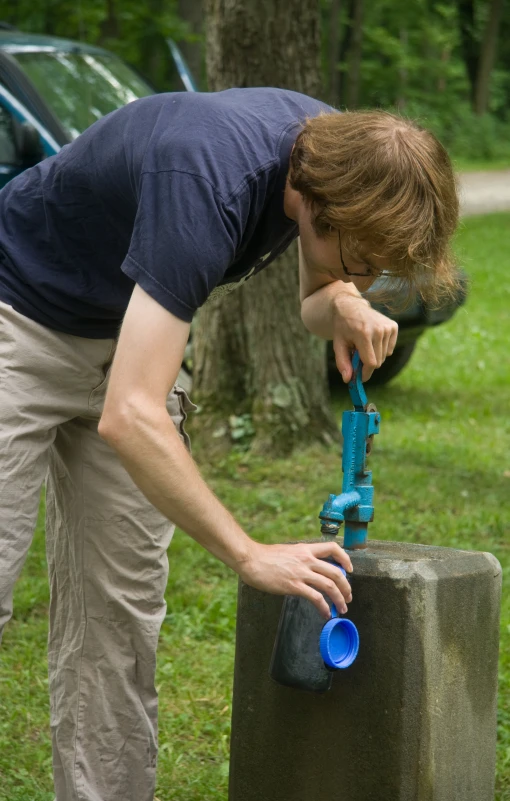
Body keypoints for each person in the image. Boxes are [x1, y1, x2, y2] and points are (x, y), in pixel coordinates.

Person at [0, 87, 459, 801]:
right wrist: (248, 552)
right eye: (363, 259)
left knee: (119, 619)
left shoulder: (333, 154)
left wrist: (345, 300)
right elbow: (132, 413)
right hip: (18, 314)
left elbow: (315, 296)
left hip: (129, 335)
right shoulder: (206, 178)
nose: (366, 275)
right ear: (315, 200)